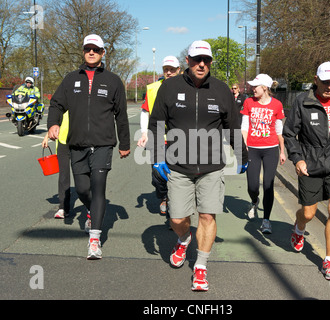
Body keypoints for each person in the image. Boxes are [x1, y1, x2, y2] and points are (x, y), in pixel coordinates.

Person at [148, 40, 248, 291]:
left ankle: (201, 266)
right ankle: (183, 238)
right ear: (188, 61)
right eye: (196, 59)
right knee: (178, 217)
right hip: (179, 166)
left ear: (211, 62)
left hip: (211, 167)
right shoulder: (169, 87)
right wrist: (158, 156)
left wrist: (242, 156)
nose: (201, 64)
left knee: (206, 215)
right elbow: (156, 123)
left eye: (206, 59)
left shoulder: (222, 90)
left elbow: (232, 126)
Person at [47, 34, 131, 260]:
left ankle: (94, 239)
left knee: (99, 187)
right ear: (83, 52)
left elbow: (121, 115)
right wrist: (53, 124)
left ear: (103, 53)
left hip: (103, 143)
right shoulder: (71, 79)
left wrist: (125, 143)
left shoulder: (113, 81)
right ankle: (91, 209)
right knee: (83, 189)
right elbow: (56, 103)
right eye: (87, 49)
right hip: (77, 144)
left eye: (96, 49)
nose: (91, 52)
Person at [283, 62, 330, 281]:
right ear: (316, 80)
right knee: (309, 213)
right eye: (326, 82)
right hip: (310, 163)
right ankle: (299, 227)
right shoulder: (302, 102)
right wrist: (298, 159)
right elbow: (289, 134)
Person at [240, 74, 286, 234]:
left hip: (271, 149)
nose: (253, 89)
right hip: (252, 148)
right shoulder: (248, 102)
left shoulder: (277, 105)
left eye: (255, 86)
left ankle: (266, 220)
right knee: (252, 185)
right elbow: (244, 126)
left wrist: (282, 151)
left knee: (268, 184)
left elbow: (279, 130)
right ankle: (254, 201)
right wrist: (243, 145)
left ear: (264, 88)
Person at [137, 56, 181, 217]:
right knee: (158, 175)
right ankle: (163, 195)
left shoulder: (186, 88)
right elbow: (145, 111)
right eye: (166, 69)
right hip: (156, 137)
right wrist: (143, 132)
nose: (169, 72)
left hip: (179, 138)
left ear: (179, 70)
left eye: (172, 69)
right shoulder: (153, 88)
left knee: (177, 174)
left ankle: (174, 206)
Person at [42, 111, 71, 219]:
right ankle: (63, 208)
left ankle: (90, 206)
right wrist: (47, 136)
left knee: (82, 177)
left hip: (80, 142)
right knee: (63, 176)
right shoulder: (62, 100)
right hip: (62, 142)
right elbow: (56, 119)